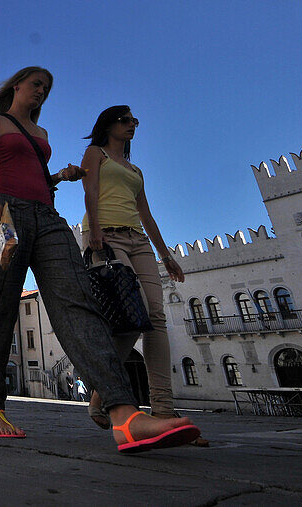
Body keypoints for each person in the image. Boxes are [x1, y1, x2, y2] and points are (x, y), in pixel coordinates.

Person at [0, 67, 200, 453]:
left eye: (47, 88)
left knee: (78, 302)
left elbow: (37, 178)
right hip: (5, 215)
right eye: (36, 84)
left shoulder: (41, 135)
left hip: (47, 217)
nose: (42, 91)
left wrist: (59, 176)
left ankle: (124, 415)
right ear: (16, 85)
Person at [78, 105, 208, 447]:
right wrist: (94, 233)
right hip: (106, 235)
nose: (132, 125)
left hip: (139, 241)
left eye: (135, 121)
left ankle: (164, 413)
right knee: (131, 318)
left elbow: (146, 213)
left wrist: (167, 257)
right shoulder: (95, 152)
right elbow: (89, 191)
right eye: (125, 120)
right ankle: (105, 391)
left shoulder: (135, 169)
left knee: (156, 317)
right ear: (109, 125)